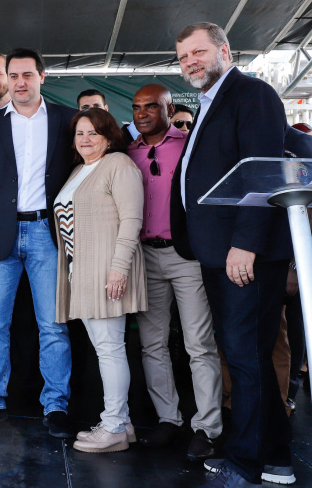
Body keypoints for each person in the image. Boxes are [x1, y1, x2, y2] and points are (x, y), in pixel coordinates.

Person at [171, 22, 294, 487]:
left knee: (246, 357)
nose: (190, 63)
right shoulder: (210, 102)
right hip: (218, 254)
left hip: (245, 256)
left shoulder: (252, 93)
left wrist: (245, 244)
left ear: (224, 49)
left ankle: (247, 462)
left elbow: (261, 174)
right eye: (183, 57)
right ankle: (276, 457)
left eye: (198, 52)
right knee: (247, 358)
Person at [0, 48, 76, 437]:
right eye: (14, 76)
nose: (20, 82)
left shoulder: (65, 119)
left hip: (48, 234)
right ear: (6, 80)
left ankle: (56, 404)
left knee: (53, 325)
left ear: (43, 76)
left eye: (28, 74)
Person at [127, 84, 222, 460]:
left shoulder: (189, 145)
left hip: (186, 257)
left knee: (199, 345)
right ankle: (169, 420)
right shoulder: (126, 152)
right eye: (136, 107)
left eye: (152, 106)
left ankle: (208, 428)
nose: (143, 113)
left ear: (169, 109)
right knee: (152, 344)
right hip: (144, 257)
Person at [54, 108, 146, 452]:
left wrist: (118, 268)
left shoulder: (119, 164)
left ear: (108, 136)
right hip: (84, 274)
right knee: (105, 349)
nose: (85, 139)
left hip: (108, 272)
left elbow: (131, 220)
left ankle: (114, 427)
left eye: (93, 132)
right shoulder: (80, 169)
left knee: (109, 349)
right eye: (80, 133)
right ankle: (122, 422)